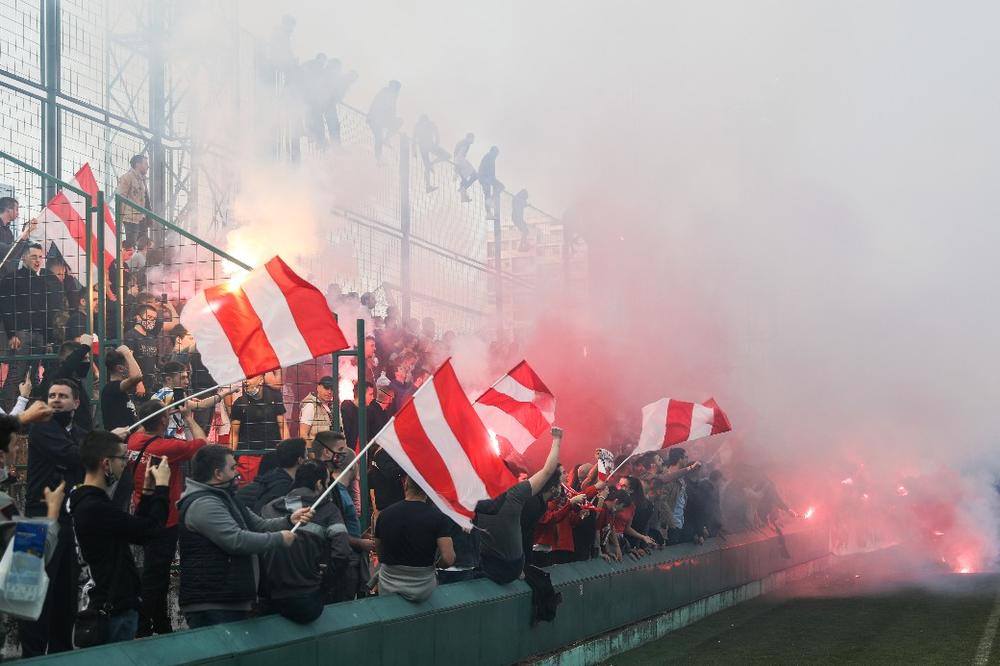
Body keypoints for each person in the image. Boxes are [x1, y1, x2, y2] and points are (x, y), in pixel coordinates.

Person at [177, 445, 313, 628]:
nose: (237, 473)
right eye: (232, 468)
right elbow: (237, 540)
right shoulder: (204, 504)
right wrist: (279, 539)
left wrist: (289, 520)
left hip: (231, 600)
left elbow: (259, 525)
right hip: (214, 603)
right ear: (218, 474)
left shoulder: (226, 498)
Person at [70, 431, 172, 643]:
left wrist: (148, 491)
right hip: (111, 608)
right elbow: (151, 530)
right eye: (122, 458)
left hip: (112, 604)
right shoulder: (94, 507)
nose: (125, 464)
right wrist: (163, 488)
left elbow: (138, 533)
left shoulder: (88, 502)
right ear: (106, 463)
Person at [126, 398, 209, 636]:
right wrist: (188, 417)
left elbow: (146, 426)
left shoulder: (134, 441)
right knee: (157, 576)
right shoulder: (166, 448)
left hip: (142, 510)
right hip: (166, 516)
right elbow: (202, 443)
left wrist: (158, 413)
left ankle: (161, 624)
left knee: (155, 571)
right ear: (163, 420)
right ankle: (143, 627)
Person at [18, 378, 86, 656]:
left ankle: (60, 655)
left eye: (63, 395)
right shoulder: (42, 426)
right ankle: (31, 659)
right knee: (33, 600)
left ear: (76, 402)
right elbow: (73, 457)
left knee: (65, 597)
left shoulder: (81, 434)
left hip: (67, 520)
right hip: (36, 520)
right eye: (52, 395)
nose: (56, 399)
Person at [0, 399, 61, 652]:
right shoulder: (2, 505)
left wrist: (18, 421)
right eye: (14, 445)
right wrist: (52, 515)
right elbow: (29, 555)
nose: (17, 451)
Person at [259, 461, 351, 623]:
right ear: (319, 484)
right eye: (327, 483)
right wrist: (325, 581)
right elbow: (342, 552)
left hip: (269, 596)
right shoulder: (329, 511)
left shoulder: (269, 507)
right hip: (307, 598)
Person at [474, 426, 563, 584]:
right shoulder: (515, 493)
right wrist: (557, 440)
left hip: (486, 566)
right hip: (511, 567)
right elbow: (548, 471)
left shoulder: (473, 498)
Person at [0, 243, 67, 410]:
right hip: (21, 335)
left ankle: (28, 417)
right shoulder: (12, 278)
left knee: (34, 377)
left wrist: (49, 338)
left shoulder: (44, 280)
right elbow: (6, 308)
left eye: (40, 257)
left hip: (40, 336)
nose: (38, 260)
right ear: (24, 257)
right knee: (17, 375)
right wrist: (11, 334)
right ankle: (8, 417)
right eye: (34, 256)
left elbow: (48, 312)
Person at [374, 474, 454, 602]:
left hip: (388, 584)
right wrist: (436, 565)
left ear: (405, 485)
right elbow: (448, 558)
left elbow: (378, 547)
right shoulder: (438, 517)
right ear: (428, 490)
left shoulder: (384, 515)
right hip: (424, 588)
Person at [315, 430, 374, 602]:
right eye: (339, 449)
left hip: (349, 558)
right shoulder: (333, 492)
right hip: (343, 561)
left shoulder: (338, 490)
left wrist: (359, 537)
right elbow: (332, 530)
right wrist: (359, 542)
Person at [236, 437, 306, 513]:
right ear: (300, 460)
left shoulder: (274, 476)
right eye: (307, 456)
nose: (308, 460)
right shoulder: (283, 487)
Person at [230, 374, 287, 450]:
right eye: (244, 379)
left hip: (272, 452)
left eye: (249, 378)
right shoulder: (239, 403)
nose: (245, 381)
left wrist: (288, 452)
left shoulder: (275, 398)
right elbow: (234, 434)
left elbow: (283, 428)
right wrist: (231, 456)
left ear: (261, 380)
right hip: (247, 453)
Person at [100, 346, 143, 430]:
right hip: (119, 441)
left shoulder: (120, 389)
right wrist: (128, 354)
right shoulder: (111, 389)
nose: (131, 368)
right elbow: (137, 376)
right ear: (120, 368)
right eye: (129, 365)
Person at [125, 302, 160, 394]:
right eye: (149, 317)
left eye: (154, 319)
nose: (152, 321)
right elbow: (128, 362)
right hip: (136, 387)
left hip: (150, 386)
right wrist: (138, 383)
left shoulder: (152, 337)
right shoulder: (130, 335)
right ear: (138, 317)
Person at [116, 154, 150, 244]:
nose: (148, 166)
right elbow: (120, 198)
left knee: (143, 245)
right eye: (145, 164)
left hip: (141, 218)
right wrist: (119, 220)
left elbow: (146, 201)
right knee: (131, 244)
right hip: (130, 218)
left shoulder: (142, 180)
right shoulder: (127, 177)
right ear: (138, 165)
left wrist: (149, 217)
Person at [0, 196, 37, 276]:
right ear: (8, 210)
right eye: (16, 209)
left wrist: (26, 235)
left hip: (6, 277)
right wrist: (25, 234)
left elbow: (14, 253)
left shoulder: (8, 232)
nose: (18, 213)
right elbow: (8, 253)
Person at [413, 114, 450, 193]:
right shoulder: (425, 125)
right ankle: (428, 186)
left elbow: (436, 134)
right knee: (446, 156)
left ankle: (430, 166)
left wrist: (414, 150)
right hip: (427, 146)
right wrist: (414, 151)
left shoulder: (423, 125)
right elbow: (437, 135)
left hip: (426, 146)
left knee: (428, 165)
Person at [367, 80, 402, 160]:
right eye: (396, 87)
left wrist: (392, 121)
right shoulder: (384, 92)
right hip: (375, 119)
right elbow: (375, 104)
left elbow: (392, 110)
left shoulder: (394, 96)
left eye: (398, 88)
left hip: (383, 120)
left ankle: (387, 138)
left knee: (400, 121)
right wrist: (371, 116)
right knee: (379, 137)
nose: (397, 90)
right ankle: (378, 158)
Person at [298, 376, 335, 446]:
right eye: (326, 388)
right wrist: (311, 454)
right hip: (317, 454)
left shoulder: (332, 407)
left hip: (329, 453)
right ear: (318, 387)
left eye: (332, 389)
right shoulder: (310, 405)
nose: (329, 392)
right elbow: (303, 434)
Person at [478, 146, 502, 219]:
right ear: (493, 152)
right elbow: (484, 168)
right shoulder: (488, 157)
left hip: (488, 178)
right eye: (496, 154)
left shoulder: (491, 158)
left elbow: (491, 170)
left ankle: (490, 201)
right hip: (485, 178)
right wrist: (486, 179)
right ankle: (489, 212)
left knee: (499, 187)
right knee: (488, 195)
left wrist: (493, 179)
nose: (496, 156)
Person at [453, 133, 477, 202]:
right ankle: (463, 189)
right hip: (460, 161)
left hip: (458, 161)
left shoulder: (464, 143)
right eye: (472, 139)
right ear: (469, 138)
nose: (473, 140)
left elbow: (456, 154)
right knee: (475, 175)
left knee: (464, 179)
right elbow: (459, 154)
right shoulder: (465, 144)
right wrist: (456, 170)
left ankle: (463, 196)